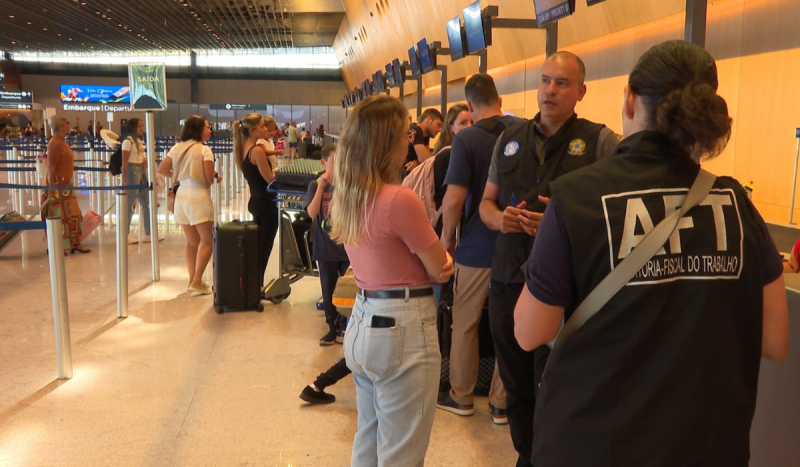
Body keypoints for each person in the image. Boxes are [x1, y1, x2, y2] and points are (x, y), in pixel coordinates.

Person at [514, 40, 790, 467]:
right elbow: (774, 341)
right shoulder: (737, 204)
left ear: (629, 100)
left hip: (593, 442)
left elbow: (529, 332)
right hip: (709, 444)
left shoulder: (577, 198)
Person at [478, 51, 619, 467]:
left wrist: (560, 227)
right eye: (544, 81)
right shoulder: (509, 139)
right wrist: (499, 218)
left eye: (561, 83)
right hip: (506, 281)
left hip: (563, 289)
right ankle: (527, 454)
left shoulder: (600, 142)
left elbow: (614, 213)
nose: (550, 90)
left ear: (581, 92)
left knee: (555, 383)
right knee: (516, 384)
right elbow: (484, 204)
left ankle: (547, 457)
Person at [331, 95, 454, 466]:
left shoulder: (348, 195)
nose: (409, 142)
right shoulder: (399, 199)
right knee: (402, 452)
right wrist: (444, 258)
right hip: (403, 326)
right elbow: (439, 267)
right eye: (404, 135)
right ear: (385, 143)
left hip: (362, 323)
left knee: (368, 440)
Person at [437, 74, 525, 426]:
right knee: (510, 324)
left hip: (474, 248)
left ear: (469, 107)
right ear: (499, 98)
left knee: (466, 324)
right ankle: (502, 403)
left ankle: (461, 396)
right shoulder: (524, 131)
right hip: (518, 246)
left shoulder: (467, 138)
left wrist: (447, 240)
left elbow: (454, 198)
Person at [158, 116, 221, 295]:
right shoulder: (204, 150)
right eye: (208, 127)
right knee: (207, 240)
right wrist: (217, 176)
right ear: (199, 130)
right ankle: (198, 279)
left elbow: (162, 169)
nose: (210, 131)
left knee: (192, 242)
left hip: (182, 197)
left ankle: (192, 279)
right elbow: (209, 177)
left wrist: (180, 176)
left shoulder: (177, 147)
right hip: (198, 197)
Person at [305, 143, 350, 345]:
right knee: (328, 289)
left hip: (346, 247)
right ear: (324, 163)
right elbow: (312, 213)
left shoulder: (348, 183)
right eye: (334, 161)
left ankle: (345, 326)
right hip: (325, 248)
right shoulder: (315, 185)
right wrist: (322, 186)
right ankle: (332, 326)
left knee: (348, 287)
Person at [233, 114, 279, 289]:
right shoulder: (257, 151)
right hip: (267, 205)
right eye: (262, 126)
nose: (265, 129)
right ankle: (256, 285)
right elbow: (270, 180)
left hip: (256, 201)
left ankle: (252, 283)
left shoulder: (243, 148)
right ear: (252, 130)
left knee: (257, 246)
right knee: (264, 247)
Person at [42, 115, 90, 255]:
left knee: (73, 215)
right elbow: (51, 167)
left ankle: (75, 242)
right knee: (60, 217)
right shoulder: (55, 143)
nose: (67, 125)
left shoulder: (62, 141)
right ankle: (59, 245)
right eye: (65, 123)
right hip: (57, 186)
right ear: (59, 126)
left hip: (66, 186)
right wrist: (51, 190)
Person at [121, 118, 160, 244]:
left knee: (146, 202)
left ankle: (149, 232)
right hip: (132, 171)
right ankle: (124, 233)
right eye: (139, 126)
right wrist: (124, 180)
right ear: (133, 127)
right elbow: (125, 162)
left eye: (142, 126)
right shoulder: (128, 142)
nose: (142, 128)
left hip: (141, 171)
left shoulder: (138, 141)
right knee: (130, 204)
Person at [404, 108, 444, 173]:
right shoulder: (415, 130)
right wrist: (419, 160)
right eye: (438, 125)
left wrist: (416, 161)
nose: (439, 130)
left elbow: (427, 157)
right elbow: (425, 160)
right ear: (428, 120)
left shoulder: (425, 135)